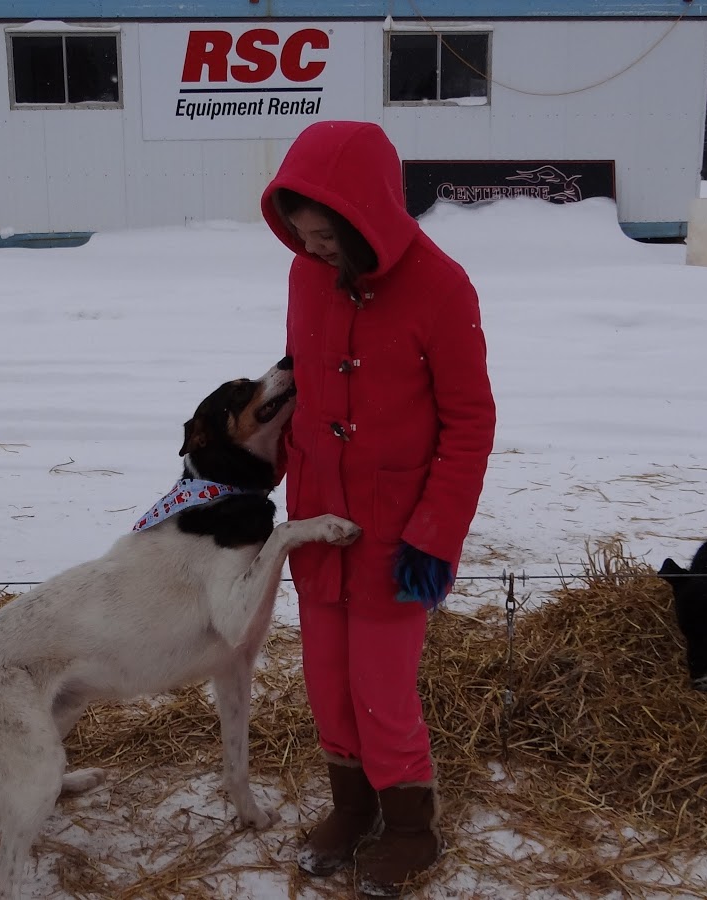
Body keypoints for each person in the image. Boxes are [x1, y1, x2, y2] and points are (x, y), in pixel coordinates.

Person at [260, 120, 496, 896]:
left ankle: (409, 827)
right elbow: (301, 379)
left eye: (327, 237)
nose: (314, 251)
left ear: (367, 219)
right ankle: (352, 807)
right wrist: (255, 460)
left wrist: (436, 535)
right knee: (327, 682)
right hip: (317, 520)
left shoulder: (441, 286)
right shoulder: (306, 275)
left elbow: (469, 421)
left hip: (397, 534)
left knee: (381, 691)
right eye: (302, 237)